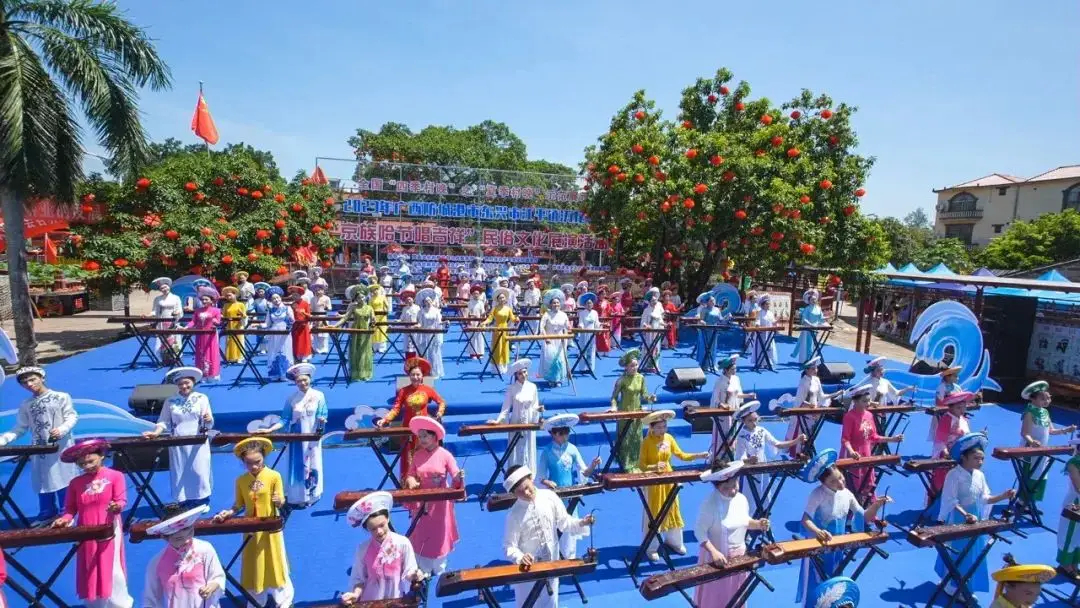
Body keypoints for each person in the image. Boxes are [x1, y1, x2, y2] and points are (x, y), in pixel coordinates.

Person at [795, 449, 889, 607]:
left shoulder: (847, 494)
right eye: (833, 481)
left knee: (835, 582)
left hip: (838, 545)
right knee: (817, 583)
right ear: (823, 482)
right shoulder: (817, 494)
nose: (840, 483)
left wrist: (877, 505)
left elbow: (863, 516)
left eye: (840, 477)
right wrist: (818, 531)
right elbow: (805, 520)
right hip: (818, 546)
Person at [52, 439, 133, 608]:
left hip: (109, 526)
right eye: (82, 464)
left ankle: (119, 604)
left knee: (112, 566)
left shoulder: (115, 476)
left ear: (101, 456)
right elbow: (70, 509)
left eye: (91, 461)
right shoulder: (75, 483)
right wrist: (64, 520)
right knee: (90, 565)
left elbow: (121, 500)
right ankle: (96, 603)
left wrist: (116, 507)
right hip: (86, 529)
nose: (87, 466)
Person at [212, 437, 293, 607]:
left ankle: (283, 600)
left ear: (264, 457)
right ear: (243, 461)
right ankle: (257, 599)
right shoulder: (241, 481)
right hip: (250, 529)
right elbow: (238, 505)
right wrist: (228, 513)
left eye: (257, 462)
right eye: (249, 463)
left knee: (276, 561)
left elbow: (281, 501)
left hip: (271, 528)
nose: (254, 466)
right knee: (254, 563)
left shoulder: (274, 476)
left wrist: (279, 501)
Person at [501, 465, 596, 608]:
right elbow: (509, 547)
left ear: (531, 479)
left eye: (527, 487)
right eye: (521, 492)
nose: (527, 493)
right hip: (528, 571)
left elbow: (565, 522)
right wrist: (520, 557)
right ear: (514, 493)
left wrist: (582, 522)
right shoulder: (514, 515)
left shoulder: (549, 497)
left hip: (551, 564)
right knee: (528, 603)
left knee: (550, 602)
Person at [936, 433, 1016, 601]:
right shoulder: (954, 475)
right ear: (964, 457)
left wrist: (1004, 496)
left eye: (982, 459)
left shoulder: (980, 475)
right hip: (958, 519)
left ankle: (966, 583)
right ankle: (951, 585)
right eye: (976, 458)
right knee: (956, 551)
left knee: (972, 553)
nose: (980, 462)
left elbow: (985, 498)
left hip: (975, 518)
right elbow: (950, 500)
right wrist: (965, 514)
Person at [0, 367, 78, 519]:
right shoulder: (26, 404)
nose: (29, 384)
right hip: (39, 448)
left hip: (61, 446)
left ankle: (67, 513)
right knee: (43, 479)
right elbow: (20, 428)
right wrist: (4, 439)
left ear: (42, 378)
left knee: (64, 476)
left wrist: (62, 429)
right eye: (24, 382)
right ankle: (47, 513)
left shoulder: (61, 397)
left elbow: (71, 416)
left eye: (32, 379)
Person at [693, 460, 770, 607]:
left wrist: (758, 524)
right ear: (717, 487)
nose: (733, 491)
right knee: (715, 600)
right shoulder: (709, 504)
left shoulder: (741, 499)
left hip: (739, 559)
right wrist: (714, 552)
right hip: (717, 561)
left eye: (735, 485)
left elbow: (744, 521)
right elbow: (699, 532)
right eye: (726, 488)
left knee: (735, 597)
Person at [638, 410, 709, 561]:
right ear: (651, 427)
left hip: (669, 479)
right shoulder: (646, 442)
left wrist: (698, 455)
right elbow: (642, 465)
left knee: (672, 509)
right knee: (654, 512)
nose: (662, 430)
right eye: (659, 427)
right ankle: (651, 547)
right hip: (654, 483)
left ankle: (674, 541)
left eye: (664, 426)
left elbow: (681, 455)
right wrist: (654, 467)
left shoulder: (669, 438)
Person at [253, 363, 328, 506]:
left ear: (310, 379)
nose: (302, 383)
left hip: (312, 436)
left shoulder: (319, 396)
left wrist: (321, 422)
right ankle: (298, 495)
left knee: (312, 463)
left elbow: (322, 414)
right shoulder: (292, 398)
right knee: (298, 466)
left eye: (305, 380)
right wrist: (270, 430)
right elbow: (285, 419)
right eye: (299, 381)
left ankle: (312, 493)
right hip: (296, 437)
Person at [142, 367, 213, 507]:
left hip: (197, 440)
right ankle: (183, 501)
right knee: (181, 471)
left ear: (193, 382)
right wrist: (156, 432)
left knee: (199, 470)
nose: (184, 386)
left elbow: (208, 420)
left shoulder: (202, 398)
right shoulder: (170, 401)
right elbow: (163, 421)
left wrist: (209, 419)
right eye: (180, 384)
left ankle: (202, 500)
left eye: (187, 383)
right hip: (177, 441)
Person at [535, 414, 601, 560]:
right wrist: (547, 482)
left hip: (571, 494)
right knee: (555, 525)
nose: (565, 436)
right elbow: (540, 476)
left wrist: (592, 465)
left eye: (567, 432)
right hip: (555, 495)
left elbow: (584, 471)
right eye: (561, 433)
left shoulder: (572, 449)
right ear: (553, 434)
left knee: (571, 524)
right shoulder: (546, 452)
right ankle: (553, 557)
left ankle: (570, 558)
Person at [403, 417, 463, 576]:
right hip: (422, 500)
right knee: (421, 531)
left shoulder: (446, 455)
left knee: (440, 532)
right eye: (420, 436)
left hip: (440, 502)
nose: (421, 439)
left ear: (434, 436)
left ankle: (439, 565)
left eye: (425, 436)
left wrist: (458, 476)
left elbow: (455, 473)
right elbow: (410, 474)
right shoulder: (417, 455)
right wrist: (411, 480)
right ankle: (422, 566)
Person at [341, 491, 421, 604]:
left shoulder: (403, 543)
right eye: (373, 528)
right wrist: (355, 594)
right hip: (370, 601)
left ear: (388, 519)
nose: (379, 531)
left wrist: (414, 575)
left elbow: (409, 570)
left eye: (382, 525)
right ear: (367, 528)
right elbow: (359, 579)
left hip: (395, 600)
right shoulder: (363, 549)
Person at [142, 504, 226, 608]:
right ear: (164, 537)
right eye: (178, 539)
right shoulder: (156, 563)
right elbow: (151, 598)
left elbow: (217, 576)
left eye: (190, 533)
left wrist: (212, 586)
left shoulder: (205, 549)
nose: (186, 540)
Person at [377, 358, 447, 478]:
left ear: (422, 376)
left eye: (418, 374)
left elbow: (441, 402)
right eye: (413, 375)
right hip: (408, 429)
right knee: (408, 457)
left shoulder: (428, 390)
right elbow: (396, 408)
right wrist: (385, 419)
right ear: (409, 376)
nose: (415, 377)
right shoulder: (403, 391)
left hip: (424, 430)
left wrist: (440, 412)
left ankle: (425, 481)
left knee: (425, 456)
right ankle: (408, 482)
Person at [734, 401, 805, 513]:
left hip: (763, 467)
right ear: (743, 421)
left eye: (755, 419)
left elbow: (777, 444)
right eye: (750, 421)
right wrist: (749, 460)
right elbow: (739, 457)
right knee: (750, 495)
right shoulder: (741, 436)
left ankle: (764, 514)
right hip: (749, 471)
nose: (754, 423)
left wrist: (797, 440)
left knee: (764, 491)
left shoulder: (762, 430)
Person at [840, 384, 904, 505]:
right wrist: (851, 451)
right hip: (853, 456)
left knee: (869, 484)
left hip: (867, 455)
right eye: (864, 401)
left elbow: (874, 437)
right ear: (855, 401)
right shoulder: (849, 417)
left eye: (869, 400)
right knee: (854, 486)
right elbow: (845, 439)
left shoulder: (869, 415)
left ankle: (869, 510)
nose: (868, 403)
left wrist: (893, 439)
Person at [1018, 380, 1075, 506]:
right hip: (1029, 449)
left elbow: (1051, 431)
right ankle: (1022, 501)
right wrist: (1032, 442)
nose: (1047, 401)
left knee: (1039, 474)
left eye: (1048, 398)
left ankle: (1031, 500)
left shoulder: (1045, 412)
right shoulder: (1029, 412)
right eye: (1043, 398)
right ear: (1032, 399)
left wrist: (1066, 430)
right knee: (1028, 474)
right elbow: (1024, 433)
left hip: (1042, 449)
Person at [488, 359, 542, 472]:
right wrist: (498, 420)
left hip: (529, 422)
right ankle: (515, 473)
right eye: (520, 373)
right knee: (516, 449)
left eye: (525, 372)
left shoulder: (533, 387)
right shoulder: (511, 388)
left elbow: (534, 405)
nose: (523, 375)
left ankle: (529, 473)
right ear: (516, 375)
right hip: (516, 421)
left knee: (528, 447)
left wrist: (538, 410)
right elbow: (506, 408)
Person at [784, 357, 843, 456]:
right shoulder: (803, 382)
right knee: (802, 432)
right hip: (805, 411)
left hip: (814, 411)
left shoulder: (816, 380)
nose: (816, 370)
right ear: (807, 370)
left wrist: (835, 394)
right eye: (813, 368)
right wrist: (810, 405)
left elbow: (821, 396)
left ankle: (807, 451)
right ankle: (798, 452)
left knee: (810, 433)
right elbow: (800, 400)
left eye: (816, 368)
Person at [610, 349, 656, 472]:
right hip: (625, 413)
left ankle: (637, 463)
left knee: (636, 438)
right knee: (625, 438)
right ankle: (626, 463)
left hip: (637, 413)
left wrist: (650, 398)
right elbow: (614, 397)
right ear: (626, 367)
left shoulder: (641, 378)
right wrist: (614, 407)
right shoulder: (621, 380)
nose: (634, 368)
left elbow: (644, 395)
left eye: (636, 365)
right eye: (632, 366)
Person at [929, 390, 975, 507]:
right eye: (958, 408)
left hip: (961, 454)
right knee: (944, 481)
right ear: (951, 407)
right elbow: (940, 440)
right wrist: (945, 452)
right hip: (947, 455)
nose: (962, 410)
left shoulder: (963, 419)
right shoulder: (946, 419)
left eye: (963, 407)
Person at [708, 354, 756, 460]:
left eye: (735, 368)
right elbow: (715, 399)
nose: (735, 370)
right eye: (733, 369)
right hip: (723, 414)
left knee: (732, 434)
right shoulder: (719, 382)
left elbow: (738, 395)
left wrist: (748, 396)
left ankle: (730, 456)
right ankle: (718, 457)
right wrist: (722, 405)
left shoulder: (736, 379)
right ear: (726, 370)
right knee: (722, 436)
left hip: (734, 411)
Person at [336, 285, 375, 382]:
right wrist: (335, 326)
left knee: (364, 351)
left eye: (362, 297)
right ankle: (356, 373)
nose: (361, 299)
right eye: (358, 298)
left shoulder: (370, 308)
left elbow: (373, 319)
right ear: (356, 299)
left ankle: (365, 373)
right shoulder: (353, 307)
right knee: (355, 351)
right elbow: (345, 318)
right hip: (355, 331)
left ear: (365, 297)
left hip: (366, 331)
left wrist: (373, 323)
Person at [186, 286, 222, 381]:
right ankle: (201, 373)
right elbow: (193, 322)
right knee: (200, 352)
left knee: (211, 352)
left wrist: (215, 322)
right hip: (200, 334)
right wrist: (186, 327)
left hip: (211, 334)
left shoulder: (216, 310)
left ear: (211, 300)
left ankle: (212, 373)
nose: (204, 301)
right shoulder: (198, 311)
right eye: (203, 300)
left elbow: (219, 322)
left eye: (206, 299)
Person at [482, 287, 518, 375]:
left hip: (505, 330)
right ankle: (496, 367)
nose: (502, 299)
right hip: (497, 330)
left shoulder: (508, 309)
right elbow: (490, 318)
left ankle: (504, 366)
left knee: (505, 347)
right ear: (497, 300)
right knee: (497, 348)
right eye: (500, 298)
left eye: (503, 297)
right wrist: (484, 323)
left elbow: (512, 318)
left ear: (505, 298)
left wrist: (516, 319)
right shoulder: (495, 308)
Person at [262, 287, 295, 382]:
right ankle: (275, 374)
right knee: (274, 352)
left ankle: (286, 373)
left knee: (285, 351)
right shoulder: (270, 310)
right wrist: (260, 325)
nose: (276, 300)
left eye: (277, 297)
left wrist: (291, 320)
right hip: (274, 333)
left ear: (280, 297)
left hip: (285, 333)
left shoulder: (287, 308)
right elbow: (267, 323)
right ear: (271, 300)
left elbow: (292, 320)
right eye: (273, 299)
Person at [1058, 435, 1080, 574]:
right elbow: (1078, 487)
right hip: (1075, 502)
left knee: (1079, 536)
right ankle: (1065, 564)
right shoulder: (1073, 463)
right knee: (1069, 535)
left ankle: (1075, 563)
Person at [990, 562, 1056, 608]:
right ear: (1009, 587)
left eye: (1037, 594)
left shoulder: (1021, 603)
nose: (1034, 598)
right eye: (1028, 593)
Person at [539, 289, 570, 386]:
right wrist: (545, 337)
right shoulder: (547, 314)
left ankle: (558, 378)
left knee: (560, 359)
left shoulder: (563, 315)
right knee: (551, 360)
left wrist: (569, 329)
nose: (556, 304)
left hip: (560, 340)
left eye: (557, 302)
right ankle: (551, 379)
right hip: (550, 340)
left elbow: (567, 326)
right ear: (550, 304)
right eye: (554, 303)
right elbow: (542, 327)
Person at [150, 277, 184, 364]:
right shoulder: (157, 299)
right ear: (160, 290)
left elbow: (180, 310)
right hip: (162, 323)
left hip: (172, 321)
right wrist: (148, 315)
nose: (164, 289)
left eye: (165, 287)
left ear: (169, 286)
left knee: (174, 340)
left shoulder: (176, 298)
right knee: (161, 340)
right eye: (162, 288)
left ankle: (175, 357)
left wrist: (177, 313)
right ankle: (163, 359)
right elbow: (154, 311)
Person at [791, 288, 828, 363]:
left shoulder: (818, 308)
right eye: (812, 300)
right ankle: (807, 359)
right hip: (808, 329)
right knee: (808, 344)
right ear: (809, 300)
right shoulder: (807, 309)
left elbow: (821, 319)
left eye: (815, 299)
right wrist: (810, 325)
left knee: (814, 344)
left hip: (816, 329)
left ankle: (812, 359)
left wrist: (826, 318)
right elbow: (804, 319)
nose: (814, 301)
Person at [416, 288, 445, 378]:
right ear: (424, 302)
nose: (428, 302)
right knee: (424, 352)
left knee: (433, 353)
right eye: (426, 301)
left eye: (429, 301)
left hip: (434, 334)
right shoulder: (421, 311)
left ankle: (435, 371)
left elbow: (439, 322)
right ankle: (425, 371)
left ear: (432, 301)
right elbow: (420, 323)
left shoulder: (436, 311)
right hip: (424, 334)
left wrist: (445, 323)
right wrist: (416, 326)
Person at [696, 293, 725, 371]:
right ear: (708, 302)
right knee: (705, 346)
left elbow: (721, 319)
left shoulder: (717, 310)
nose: (713, 302)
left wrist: (727, 318)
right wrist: (702, 322)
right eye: (711, 300)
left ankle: (712, 363)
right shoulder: (704, 309)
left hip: (714, 330)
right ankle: (704, 364)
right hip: (705, 330)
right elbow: (701, 320)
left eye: (713, 300)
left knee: (713, 347)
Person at [640, 287, 666, 372]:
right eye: (652, 301)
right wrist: (645, 326)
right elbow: (643, 321)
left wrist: (664, 324)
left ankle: (655, 365)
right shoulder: (646, 310)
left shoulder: (658, 308)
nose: (654, 302)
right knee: (648, 347)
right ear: (649, 301)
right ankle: (646, 365)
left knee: (656, 348)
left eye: (655, 301)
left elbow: (661, 320)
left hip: (656, 332)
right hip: (649, 333)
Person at [220, 286, 247, 364]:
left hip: (238, 325)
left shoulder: (241, 304)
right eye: (227, 296)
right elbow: (223, 315)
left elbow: (245, 315)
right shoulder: (226, 305)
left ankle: (239, 357)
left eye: (230, 295)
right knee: (230, 341)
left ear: (235, 295)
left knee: (239, 340)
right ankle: (230, 357)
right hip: (229, 325)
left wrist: (242, 314)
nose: (229, 297)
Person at [750, 294, 778, 369]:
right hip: (762, 334)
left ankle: (768, 362)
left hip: (769, 334)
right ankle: (760, 362)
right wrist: (757, 325)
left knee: (769, 348)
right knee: (761, 347)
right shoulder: (760, 312)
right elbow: (758, 321)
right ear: (762, 305)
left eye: (769, 304)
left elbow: (773, 321)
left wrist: (776, 322)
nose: (768, 305)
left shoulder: (770, 313)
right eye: (766, 304)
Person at [575, 292, 600, 373]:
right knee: (583, 350)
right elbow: (581, 322)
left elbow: (596, 322)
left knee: (591, 350)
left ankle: (590, 367)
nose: (589, 305)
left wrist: (599, 326)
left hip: (592, 334)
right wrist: (581, 326)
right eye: (588, 303)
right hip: (584, 334)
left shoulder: (595, 313)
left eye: (590, 303)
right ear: (585, 305)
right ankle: (582, 368)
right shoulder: (582, 313)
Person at [289, 286, 313, 363]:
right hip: (295, 326)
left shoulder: (305, 304)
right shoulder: (292, 304)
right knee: (296, 341)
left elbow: (309, 315)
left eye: (296, 295)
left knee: (304, 341)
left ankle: (305, 356)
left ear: (300, 295)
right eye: (293, 295)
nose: (295, 297)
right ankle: (297, 355)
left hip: (304, 325)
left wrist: (304, 313)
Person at [310, 283, 333, 355]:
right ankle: (317, 349)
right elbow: (311, 309)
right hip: (315, 317)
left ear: (323, 291)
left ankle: (324, 349)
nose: (318, 292)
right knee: (316, 334)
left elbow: (330, 308)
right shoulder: (313, 299)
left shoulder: (327, 298)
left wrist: (325, 306)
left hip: (324, 317)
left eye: (320, 290)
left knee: (324, 333)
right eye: (316, 290)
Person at [398, 289, 421, 361]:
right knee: (407, 345)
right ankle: (408, 360)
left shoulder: (417, 308)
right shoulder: (405, 308)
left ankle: (416, 359)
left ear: (413, 299)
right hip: (407, 329)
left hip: (415, 329)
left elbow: (420, 318)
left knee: (415, 344)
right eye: (407, 300)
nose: (409, 301)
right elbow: (402, 318)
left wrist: (418, 325)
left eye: (410, 299)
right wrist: (398, 321)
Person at [466, 285, 487, 360]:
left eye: (477, 294)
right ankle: (473, 353)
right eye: (474, 293)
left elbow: (483, 313)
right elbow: (468, 313)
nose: (476, 295)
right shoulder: (469, 303)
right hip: (472, 322)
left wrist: (482, 318)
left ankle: (480, 353)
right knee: (473, 338)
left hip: (479, 322)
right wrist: (470, 318)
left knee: (480, 337)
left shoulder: (481, 303)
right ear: (472, 294)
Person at [369, 283, 391, 354]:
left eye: (376, 290)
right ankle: (375, 347)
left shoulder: (382, 297)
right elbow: (370, 308)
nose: (375, 291)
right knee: (375, 331)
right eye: (373, 290)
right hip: (374, 315)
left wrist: (386, 310)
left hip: (382, 316)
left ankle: (382, 347)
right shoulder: (371, 299)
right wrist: (372, 315)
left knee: (382, 330)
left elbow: (387, 305)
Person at [595, 288, 612, 355]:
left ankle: (606, 350)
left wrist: (610, 316)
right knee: (600, 335)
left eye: (604, 294)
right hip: (599, 320)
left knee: (606, 335)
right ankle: (599, 349)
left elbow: (609, 311)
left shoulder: (607, 302)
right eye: (602, 294)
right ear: (599, 295)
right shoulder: (596, 302)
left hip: (606, 320)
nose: (603, 295)